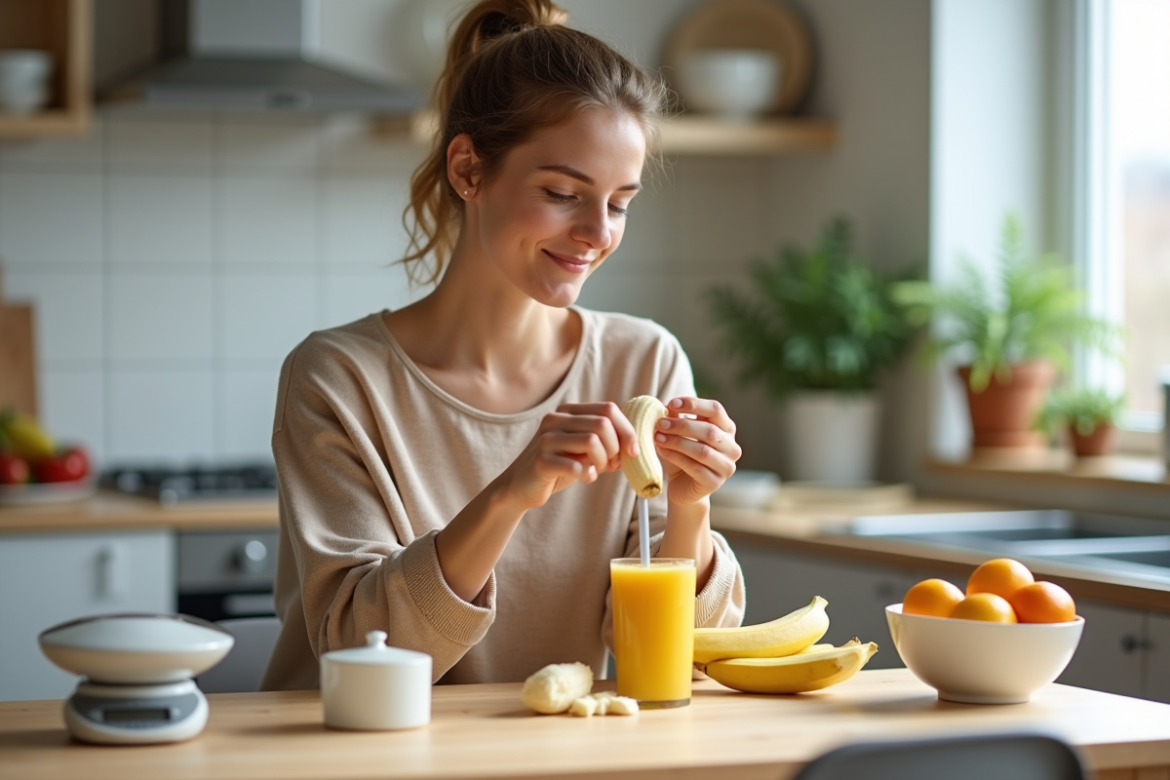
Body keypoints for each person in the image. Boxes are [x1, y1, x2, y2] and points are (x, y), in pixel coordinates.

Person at [261, 0, 745, 691]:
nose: (597, 233)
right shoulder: (339, 379)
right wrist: (511, 494)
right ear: (467, 170)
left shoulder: (647, 361)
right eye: (561, 192)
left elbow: (691, 662)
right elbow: (355, 648)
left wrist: (692, 506)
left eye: (619, 203)